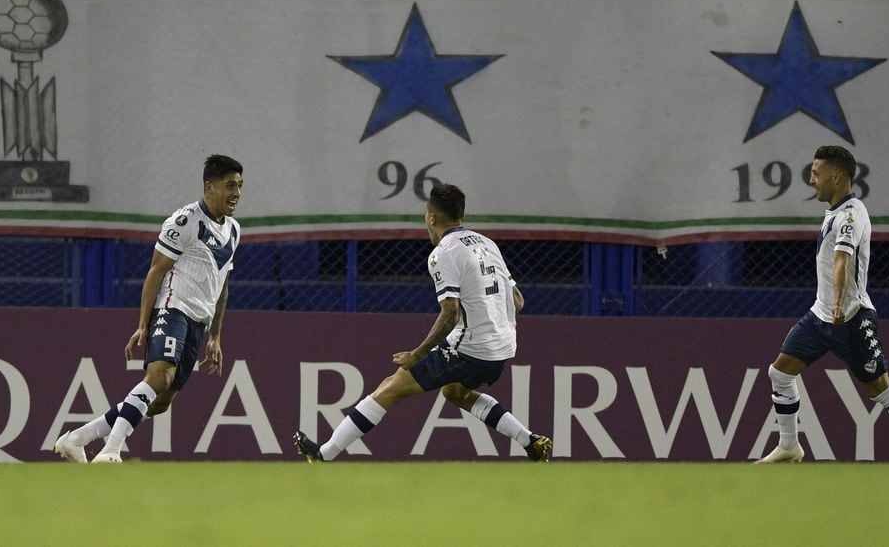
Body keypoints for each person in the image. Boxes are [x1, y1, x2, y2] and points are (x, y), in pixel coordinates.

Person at [293, 183, 552, 462]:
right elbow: (517, 301)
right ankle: (531, 442)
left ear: (431, 217)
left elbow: (449, 313)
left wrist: (416, 354)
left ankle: (324, 454)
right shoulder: (487, 244)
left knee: (390, 387)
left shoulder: (444, 253)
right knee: (455, 392)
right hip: (502, 347)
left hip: (471, 348)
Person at [755, 146, 889, 464]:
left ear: (837, 176)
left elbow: (843, 261)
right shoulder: (834, 211)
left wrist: (840, 304)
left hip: (850, 318)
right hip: (820, 315)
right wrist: (829, 307)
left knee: (880, 388)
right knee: (780, 374)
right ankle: (789, 446)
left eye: (816, 174)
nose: (812, 180)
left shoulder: (851, 215)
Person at [54, 154, 243, 463]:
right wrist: (143, 323)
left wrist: (215, 336)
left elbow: (223, 285)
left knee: (160, 402)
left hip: (199, 320)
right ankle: (110, 450)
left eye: (239, 186)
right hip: (173, 307)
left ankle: (78, 438)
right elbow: (156, 270)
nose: (236, 193)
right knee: (159, 376)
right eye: (229, 186)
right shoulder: (185, 221)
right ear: (209, 187)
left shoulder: (234, 230)